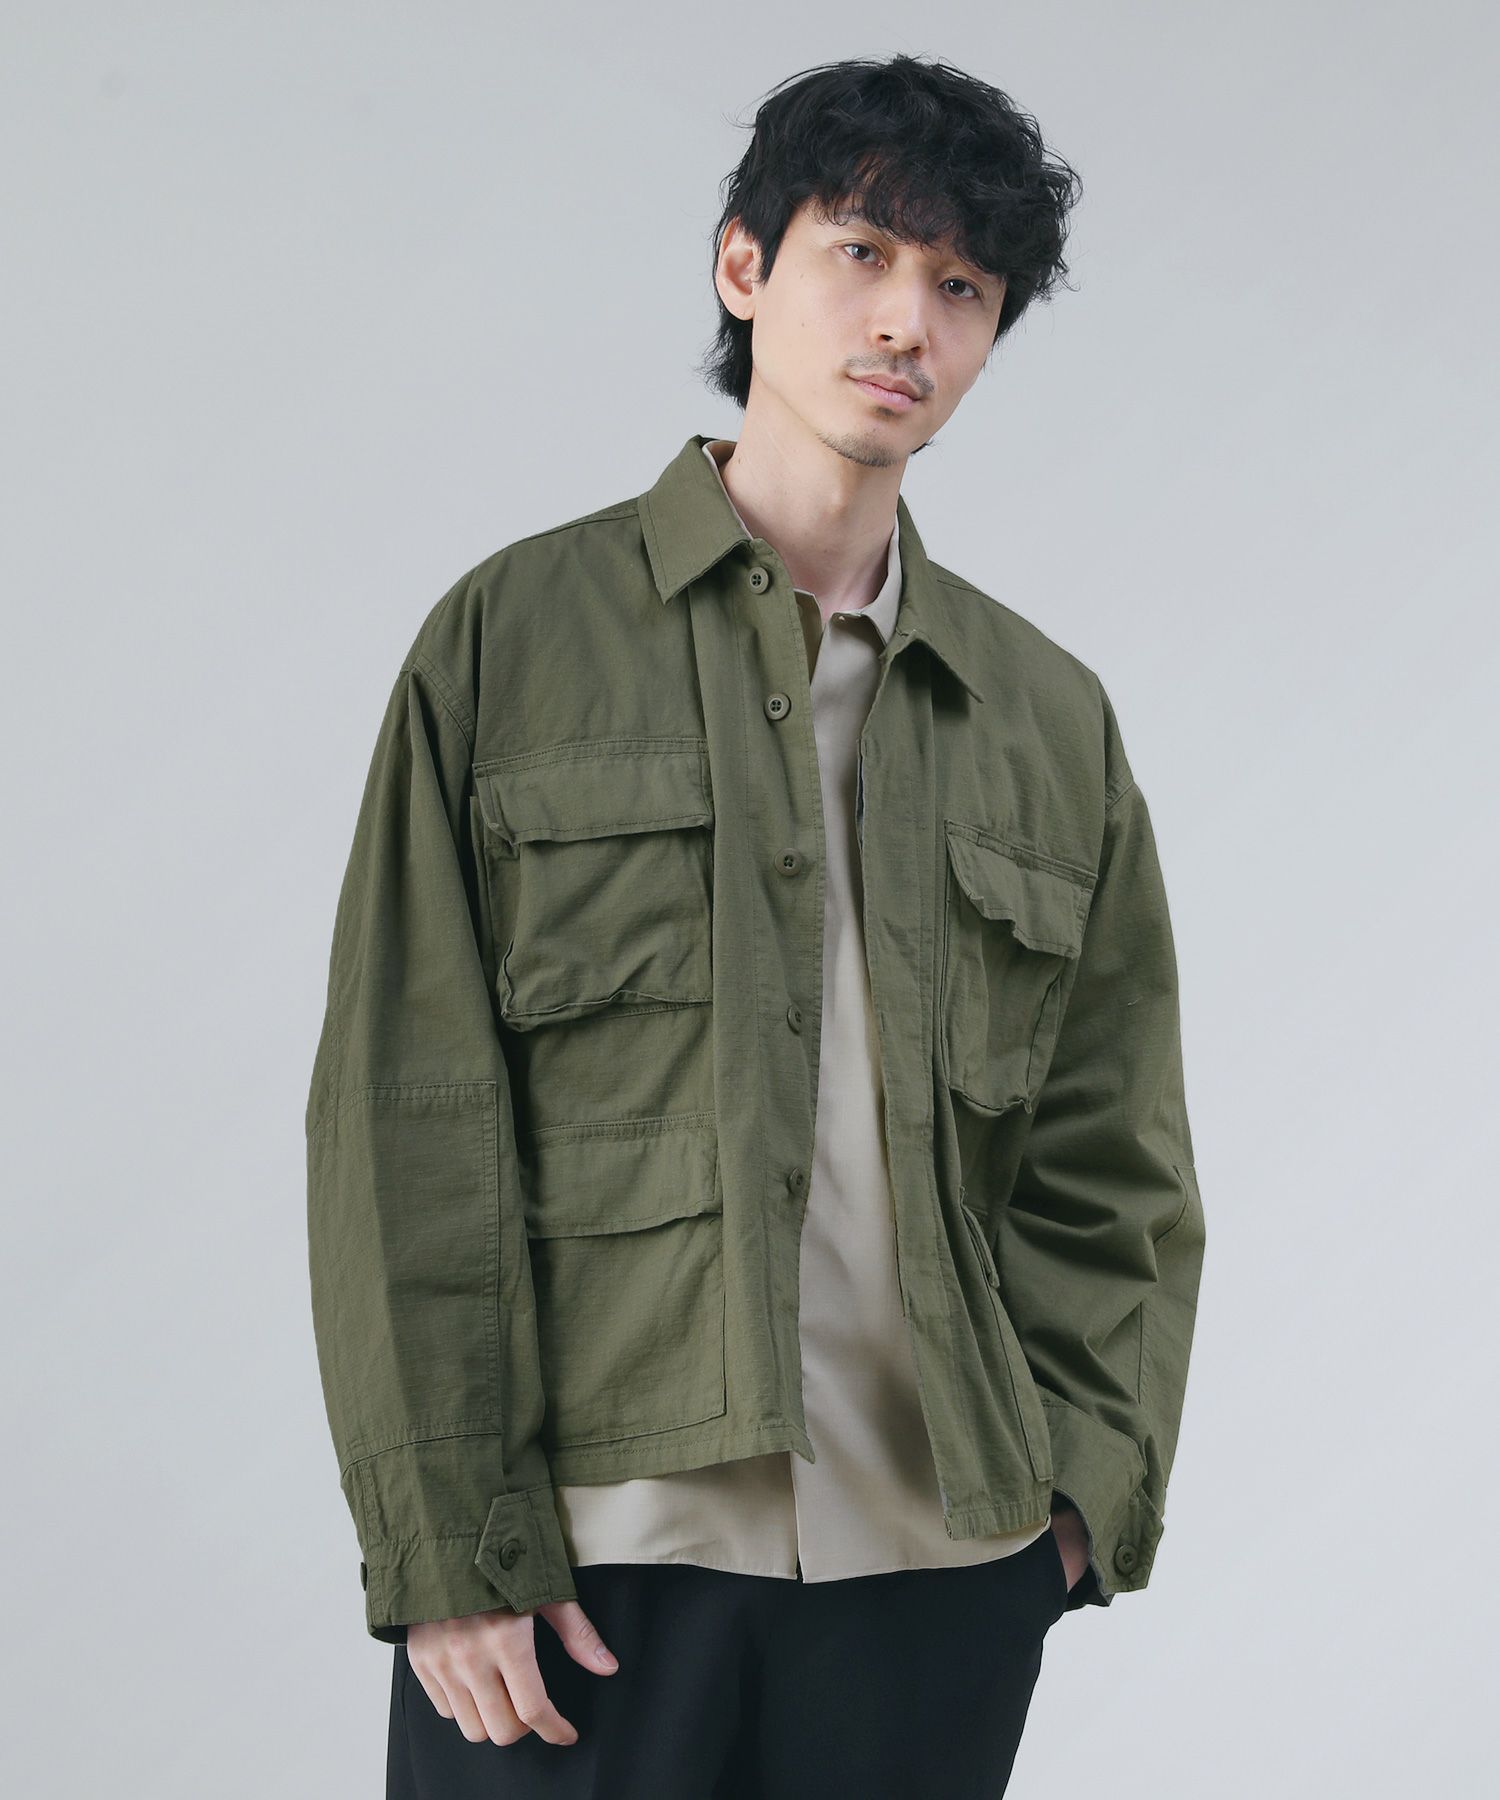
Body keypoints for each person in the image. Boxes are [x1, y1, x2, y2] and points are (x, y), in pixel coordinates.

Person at [306, 52, 1206, 1800]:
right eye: (861, 253)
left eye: (962, 288)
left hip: (936, 1574)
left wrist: (1077, 1507)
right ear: (743, 265)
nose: (907, 322)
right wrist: (450, 1542)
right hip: (585, 1564)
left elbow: (1117, 1156)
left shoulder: (1045, 717)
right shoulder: (512, 641)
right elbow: (406, 1120)